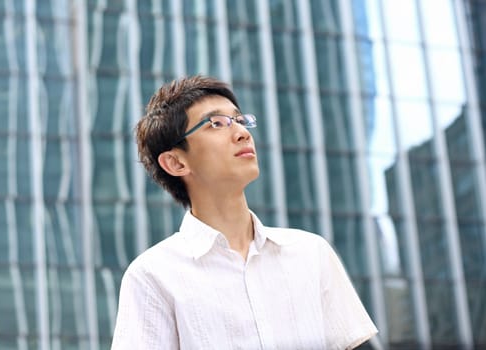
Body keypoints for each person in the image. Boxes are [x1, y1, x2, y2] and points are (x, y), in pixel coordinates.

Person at [111, 75, 378, 349]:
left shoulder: (311, 252)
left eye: (240, 120)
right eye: (216, 124)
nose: (242, 133)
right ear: (176, 162)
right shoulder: (153, 275)